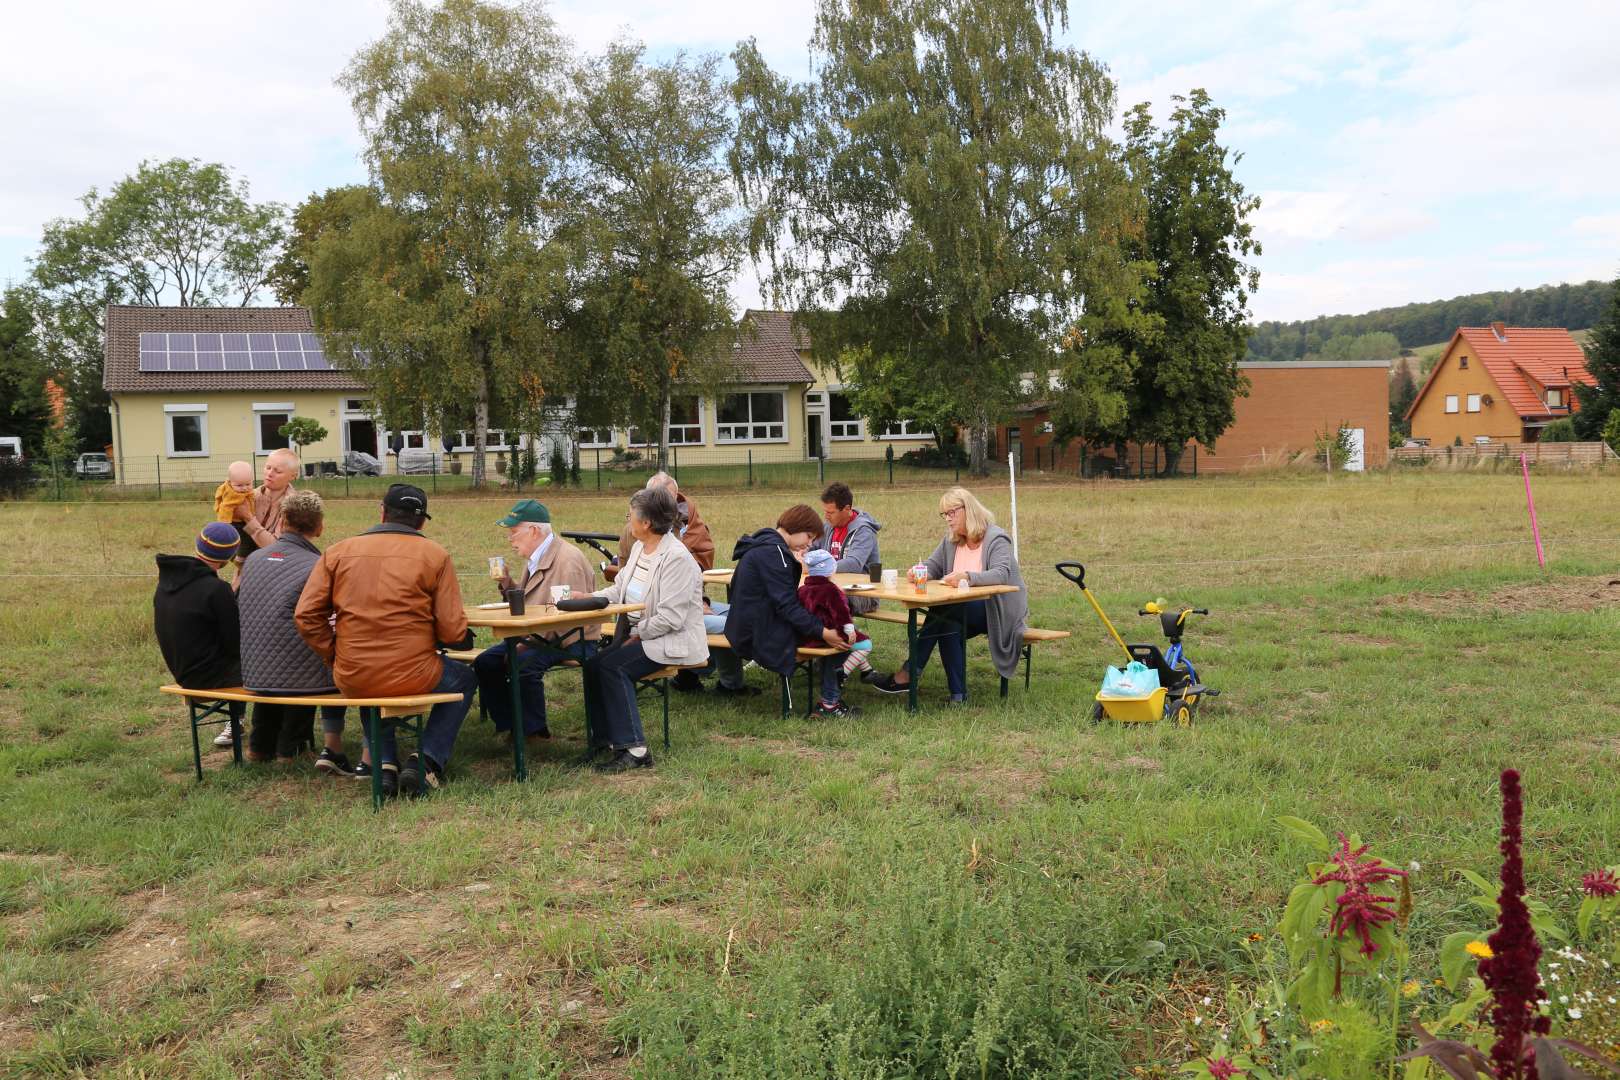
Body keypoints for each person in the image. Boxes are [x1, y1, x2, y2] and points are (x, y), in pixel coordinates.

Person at [294, 484, 477, 799]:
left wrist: (334, 654)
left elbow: (306, 615)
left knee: (369, 684)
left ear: (382, 511)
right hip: (415, 671)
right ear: (421, 522)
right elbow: (450, 630)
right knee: (465, 678)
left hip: (353, 672)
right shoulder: (435, 555)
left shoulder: (337, 552)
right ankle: (427, 760)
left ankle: (386, 764)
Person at [582, 487, 709, 772]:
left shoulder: (677, 558)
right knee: (593, 665)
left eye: (630, 516)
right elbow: (620, 588)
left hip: (669, 638)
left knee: (613, 668)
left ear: (646, 523)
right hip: (640, 634)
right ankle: (604, 740)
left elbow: (672, 618)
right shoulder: (640, 547)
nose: (628, 521)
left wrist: (637, 634)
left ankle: (636, 750)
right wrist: (589, 598)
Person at [868, 487, 1028, 704]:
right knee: (948, 624)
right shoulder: (952, 540)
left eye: (952, 512)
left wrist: (967, 577)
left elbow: (1001, 574)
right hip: (960, 608)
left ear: (968, 510)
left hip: (995, 609)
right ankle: (958, 696)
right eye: (945, 514)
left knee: (944, 610)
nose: (948, 519)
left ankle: (909, 673)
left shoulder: (996, 538)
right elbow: (933, 565)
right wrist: (919, 571)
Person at [236, 490, 353, 773]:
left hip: (253, 668)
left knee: (279, 650)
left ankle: (259, 746)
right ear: (319, 526)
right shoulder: (317, 565)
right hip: (300, 675)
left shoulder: (253, 560)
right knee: (313, 653)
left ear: (283, 520)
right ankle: (291, 747)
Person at [474, 499, 596, 740]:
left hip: (573, 638)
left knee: (523, 660)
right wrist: (508, 584)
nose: (510, 538)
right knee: (485, 662)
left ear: (533, 531)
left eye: (513, 532)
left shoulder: (567, 560)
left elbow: (570, 615)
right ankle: (513, 724)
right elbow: (534, 602)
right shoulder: (537, 556)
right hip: (541, 634)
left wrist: (529, 641)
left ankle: (534, 731)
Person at [718, 504, 850, 700]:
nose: (809, 545)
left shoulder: (763, 544)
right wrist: (823, 632)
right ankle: (830, 701)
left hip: (745, 623)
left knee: (823, 626)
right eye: (809, 537)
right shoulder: (775, 554)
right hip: (757, 633)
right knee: (836, 634)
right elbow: (787, 606)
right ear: (797, 527)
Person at [154, 522, 246, 744]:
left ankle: (240, 723)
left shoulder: (166, 583)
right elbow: (235, 645)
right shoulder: (216, 589)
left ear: (198, 546)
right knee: (275, 669)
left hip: (182, 673)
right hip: (210, 677)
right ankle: (275, 736)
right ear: (230, 556)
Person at [797, 548, 871, 718]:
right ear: (831, 569)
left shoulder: (802, 589)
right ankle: (841, 676)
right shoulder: (831, 589)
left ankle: (864, 673)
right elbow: (841, 613)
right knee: (865, 645)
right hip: (832, 634)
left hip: (809, 637)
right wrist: (850, 629)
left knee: (831, 658)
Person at [227, 448, 300, 599]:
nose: (269, 473)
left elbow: (277, 548)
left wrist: (248, 518)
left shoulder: (295, 506)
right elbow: (231, 540)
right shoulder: (248, 496)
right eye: (268, 467)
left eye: (277, 471)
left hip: (276, 581)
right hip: (244, 578)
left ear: (293, 476)